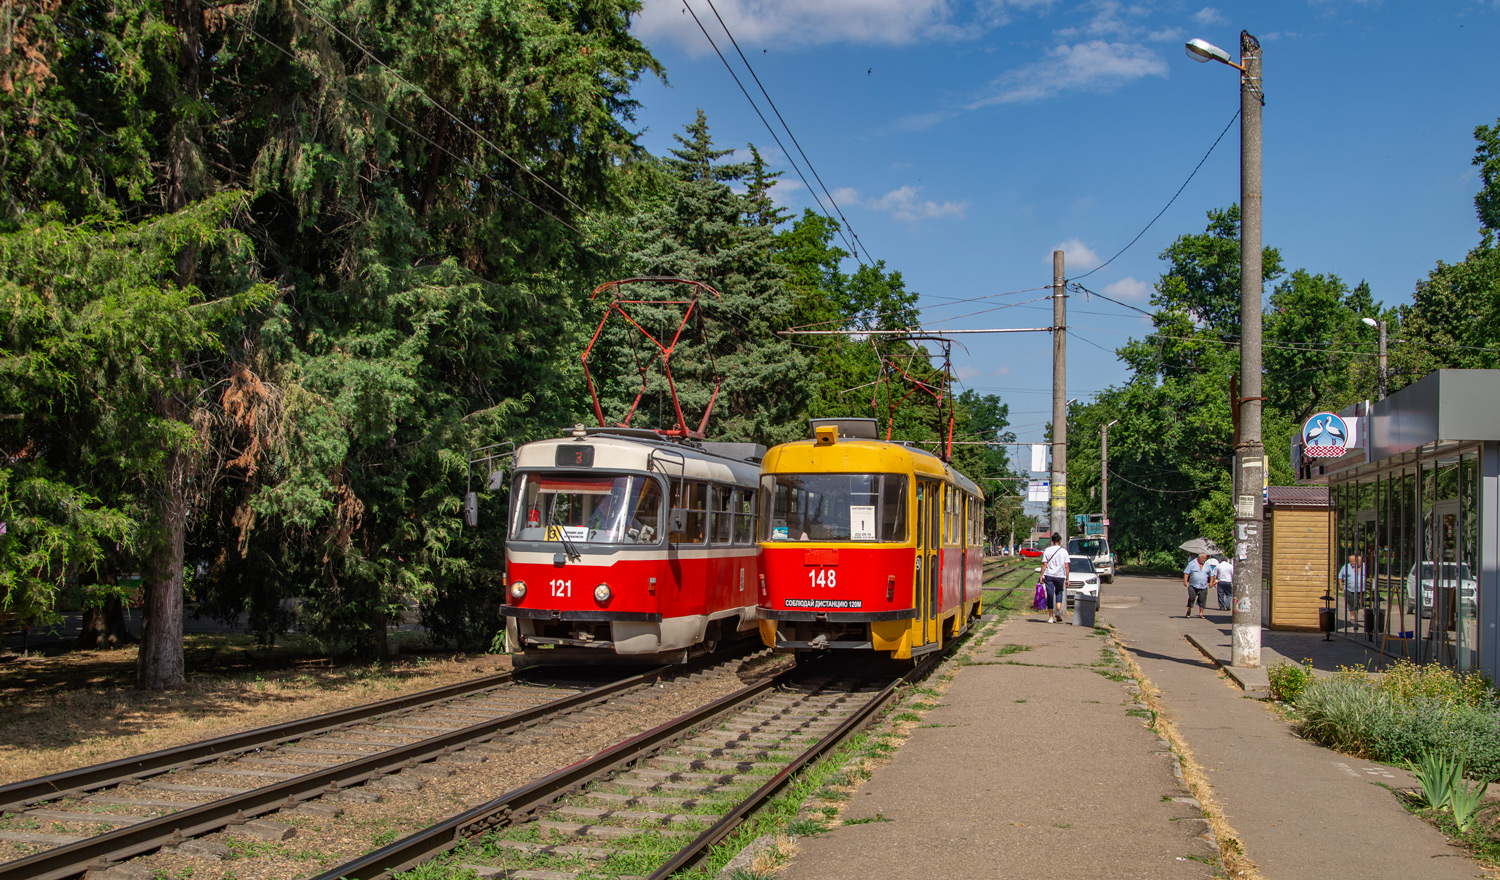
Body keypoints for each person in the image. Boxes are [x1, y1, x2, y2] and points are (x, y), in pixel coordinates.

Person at [1041, 532, 1070, 623]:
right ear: (1060, 541)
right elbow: (1066, 566)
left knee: (1050, 595)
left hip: (1049, 575)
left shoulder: (1047, 550)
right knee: (1059, 593)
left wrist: (1041, 575)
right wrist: (1067, 578)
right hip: (1060, 576)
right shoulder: (1064, 551)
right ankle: (1058, 611)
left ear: (1052, 541)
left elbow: (1044, 564)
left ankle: (1050, 617)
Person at [1338, 554, 1366, 623]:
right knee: (1351, 603)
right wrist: (1340, 585)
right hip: (1349, 589)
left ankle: (1364, 615)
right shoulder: (1346, 567)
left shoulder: (1364, 566)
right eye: (1351, 561)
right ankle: (1353, 617)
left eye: (1353, 561)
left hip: (1361, 589)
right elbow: (1340, 576)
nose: (1352, 563)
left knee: (1361, 603)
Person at [1183, 551, 1210, 618]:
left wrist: (1211, 582)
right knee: (1191, 598)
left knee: (1202, 599)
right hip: (1193, 585)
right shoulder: (1192, 564)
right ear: (1199, 558)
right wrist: (1185, 581)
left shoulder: (1207, 565)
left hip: (1203, 585)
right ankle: (1189, 610)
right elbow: (1186, 573)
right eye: (1203, 558)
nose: (1204, 560)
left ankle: (1201, 613)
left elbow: (1211, 574)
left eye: (1205, 558)